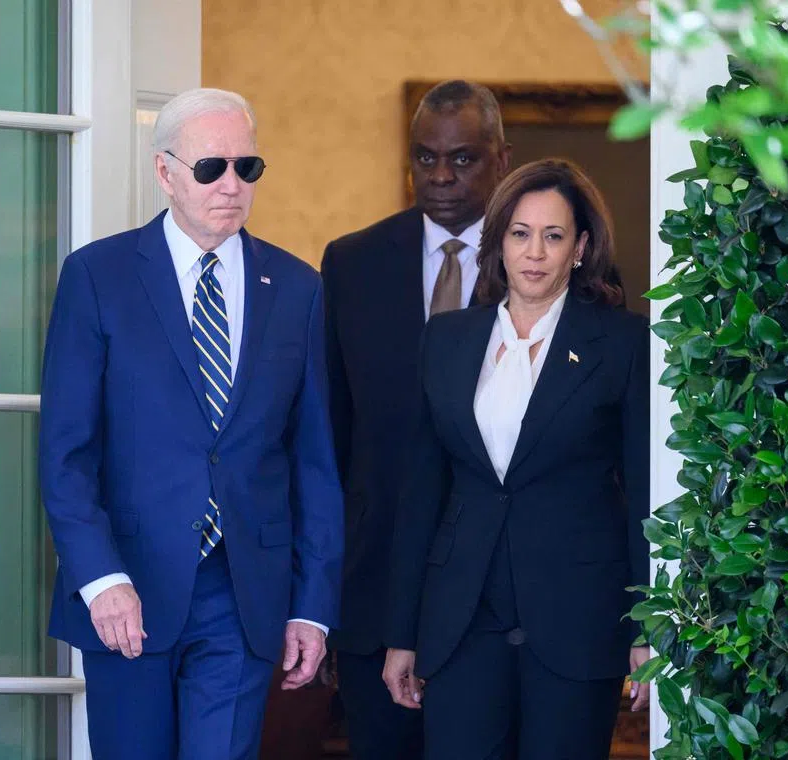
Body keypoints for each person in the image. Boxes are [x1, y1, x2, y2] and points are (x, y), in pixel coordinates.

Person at [39, 88, 343, 760]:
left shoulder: (297, 289)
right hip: (129, 588)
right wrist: (100, 578)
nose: (232, 186)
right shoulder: (99, 276)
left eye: (248, 168)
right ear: (166, 172)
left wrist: (312, 604)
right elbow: (66, 453)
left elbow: (315, 462)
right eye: (212, 168)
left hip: (245, 590)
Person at [382, 158, 650, 759]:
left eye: (553, 236)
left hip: (577, 617)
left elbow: (645, 495)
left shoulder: (624, 343)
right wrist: (402, 633)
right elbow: (422, 494)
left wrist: (648, 624)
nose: (535, 253)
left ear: (579, 248)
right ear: (497, 242)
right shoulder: (446, 339)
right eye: (520, 234)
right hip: (462, 619)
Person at [320, 80, 511, 760]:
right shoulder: (352, 262)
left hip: (500, 585)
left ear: (499, 158)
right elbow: (331, 436)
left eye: (461, 159)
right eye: (424, 157)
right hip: (375, 584)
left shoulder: (540, 263)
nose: (440, 176)